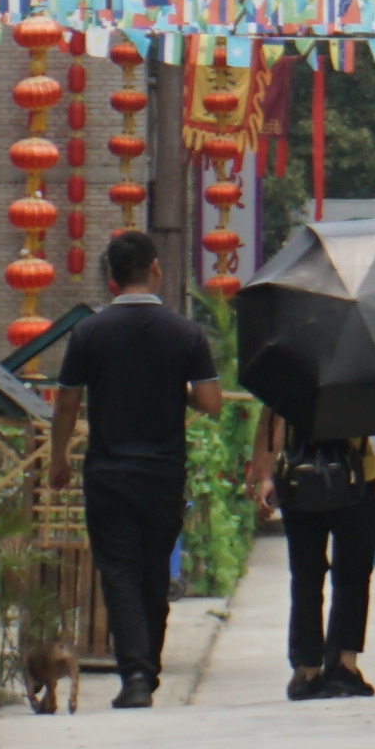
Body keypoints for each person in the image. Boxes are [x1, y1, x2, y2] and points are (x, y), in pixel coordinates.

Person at [40, 228, 218, 709]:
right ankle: (147, 668)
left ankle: (136, 674)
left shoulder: (89, 333)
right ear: (155, 269)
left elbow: (66, 406)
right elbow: (210, 401)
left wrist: (58, 459)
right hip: (163, 472)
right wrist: (168, 387)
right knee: (154, 570)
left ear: (110, 279)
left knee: (118, 570)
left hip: (109, 471)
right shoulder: (185, 333)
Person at [257, 395, 375, 698]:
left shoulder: (293, 363)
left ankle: (307, 670)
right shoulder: (373, 368)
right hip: (358, 479)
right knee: (353, 574)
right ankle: (343, 664)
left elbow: (273, 419)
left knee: (306, 575)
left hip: (300, 476)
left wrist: (265, 476)